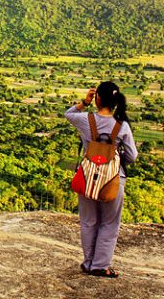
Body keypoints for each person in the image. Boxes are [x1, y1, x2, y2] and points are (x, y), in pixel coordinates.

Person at [65, 81, 138, 278]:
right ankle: (100, 265)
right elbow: (132, 156)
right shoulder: (121, 126)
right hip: (113, 180)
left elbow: (68, 114)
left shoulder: (85, 120)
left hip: (87, 177)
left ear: (97, 98)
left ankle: (88, 262)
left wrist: (84, 102)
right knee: (110, 223)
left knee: (88, 221)